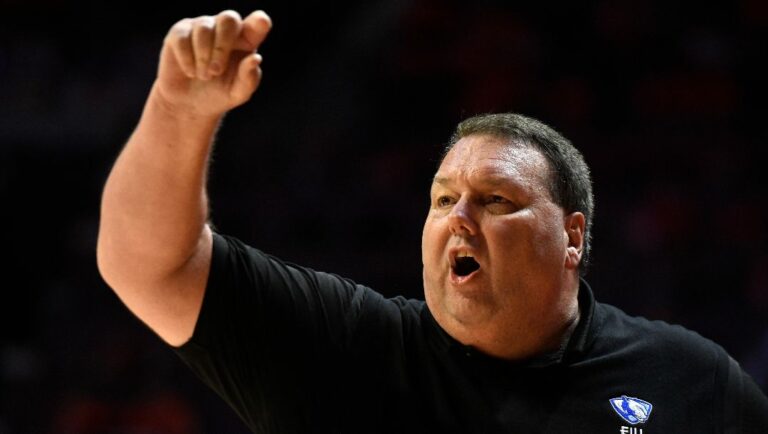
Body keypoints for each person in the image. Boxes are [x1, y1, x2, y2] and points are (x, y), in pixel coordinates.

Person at [96, 9, 768, 434]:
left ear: (572, 236)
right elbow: (150, 265)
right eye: (443, 200)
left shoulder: (687, 380)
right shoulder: (352, 352)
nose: (459, 220)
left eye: (496, 201)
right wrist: (178, 112)